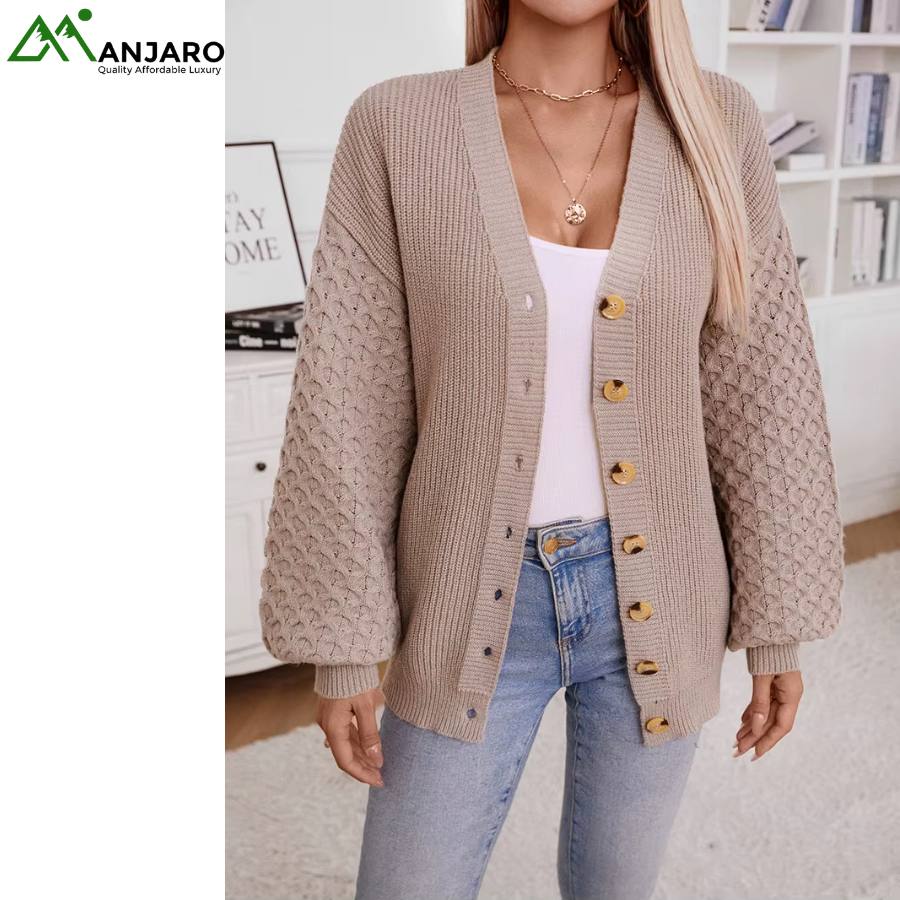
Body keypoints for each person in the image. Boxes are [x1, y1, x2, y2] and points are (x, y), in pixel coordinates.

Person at [258, 1, 845, 897]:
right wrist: (344, 647)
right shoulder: (398, 125)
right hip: (465, 593)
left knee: (616, 886)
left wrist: (778, 630)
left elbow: (761, 385)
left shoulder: (714, 119)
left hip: (662, 594)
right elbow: (349, 399)